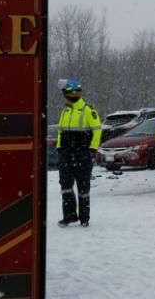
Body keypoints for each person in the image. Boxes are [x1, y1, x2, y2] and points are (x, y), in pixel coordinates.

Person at [56, 79, 102, 228]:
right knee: (66, 186)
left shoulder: (88, 110)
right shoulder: (66, 110)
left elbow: (97, 130)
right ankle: (69, 217)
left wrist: (92, 150)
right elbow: (61, 131)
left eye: (66, 93)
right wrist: (59, 148)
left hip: (82, 154)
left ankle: (84, 218)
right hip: (66, 155)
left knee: (83, 188)